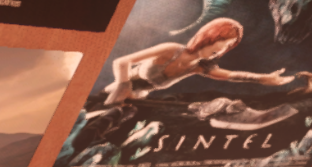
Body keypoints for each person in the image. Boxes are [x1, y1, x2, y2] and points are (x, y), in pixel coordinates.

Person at [101, 17, 293, 107]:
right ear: (211, 36)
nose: (223, 49)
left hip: (136, 100)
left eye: (229, 46)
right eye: (223, 42)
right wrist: (123, 87)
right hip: (113, 93)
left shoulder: (198, 67)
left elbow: (231, 75)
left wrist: (263, 79)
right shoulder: (171, 49)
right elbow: (122, 61)